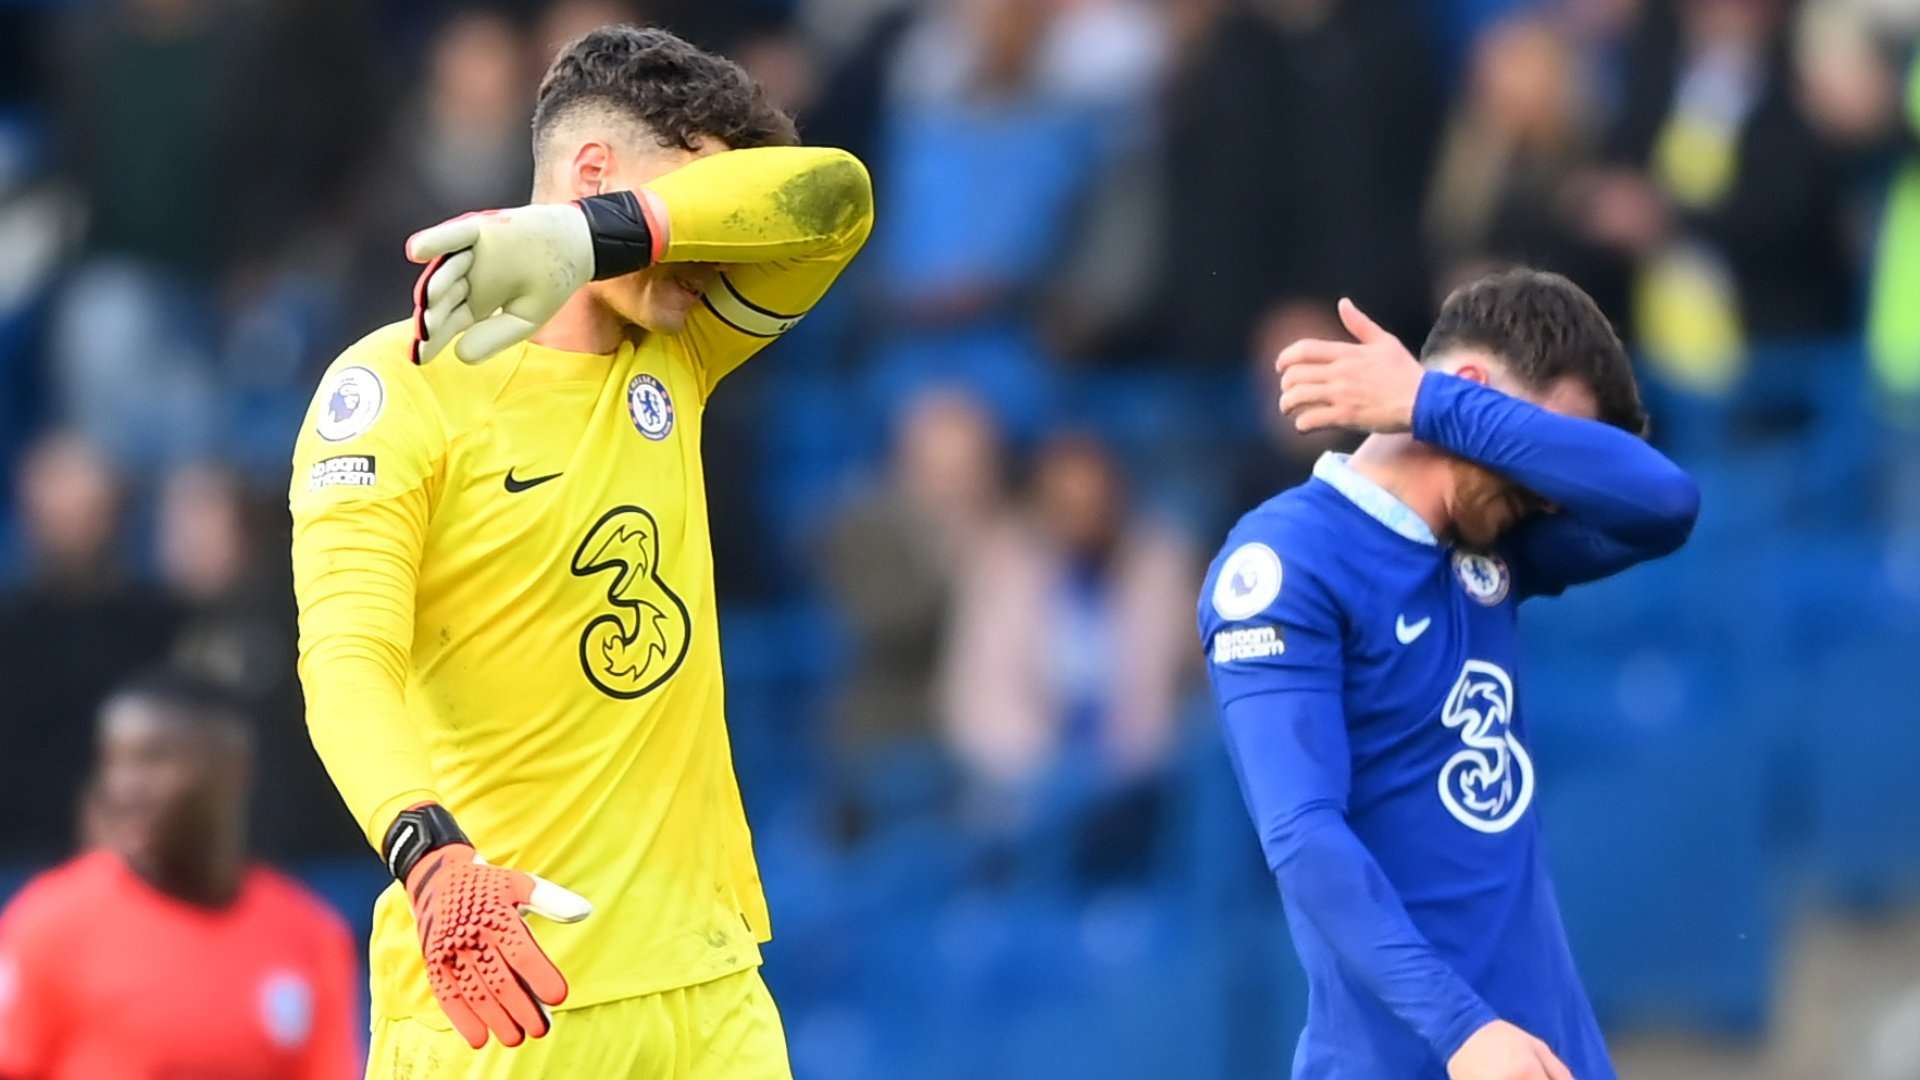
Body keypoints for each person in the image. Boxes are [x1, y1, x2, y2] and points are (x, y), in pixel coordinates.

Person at [288, 23, 872, 1079]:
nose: (718, 251)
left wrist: (596, 237)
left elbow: (834, 199)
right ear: (592, 170)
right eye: (698, 209)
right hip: (505, 987)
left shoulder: (681, 350)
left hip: (710, 989)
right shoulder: (394, 387)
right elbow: (345, 664)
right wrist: (427, 854)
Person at [1197, 269, 1700, 1080]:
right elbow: (1303, 837)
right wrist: (1464, 1029)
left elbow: (1667, 502)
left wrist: (1434, 408)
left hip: (1550, 1056)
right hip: (1419, 1057)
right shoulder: (1286, 560)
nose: (1554, 497)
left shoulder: (1498, 545)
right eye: (1532, 446)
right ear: (1473, 388)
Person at [0, 668, 358, 1079]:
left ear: (231, 771)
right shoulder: (50, 922)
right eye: (114, 762)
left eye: (153, 760)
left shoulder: (310, 935)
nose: (125, 787)